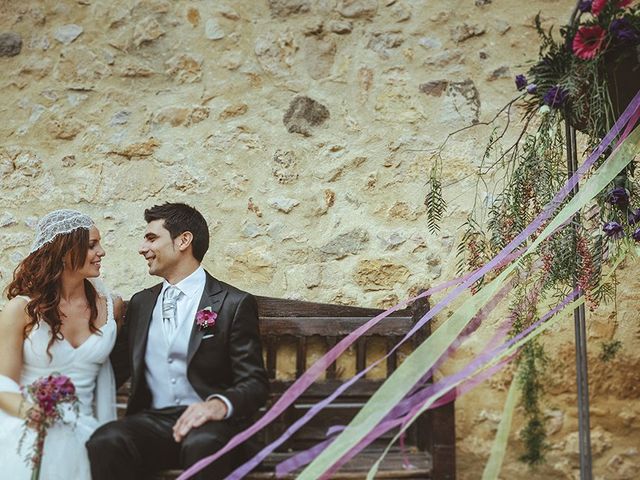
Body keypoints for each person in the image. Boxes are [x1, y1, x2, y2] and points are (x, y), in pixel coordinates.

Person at [88, 202, 269, 480]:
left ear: (184, 240)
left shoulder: (233, 303)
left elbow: (254, 382)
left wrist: (217, 405)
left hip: (212, 426)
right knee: (107, 439)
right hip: (153, 422)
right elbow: (115, 367)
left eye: (151, 238)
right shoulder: (140, 303)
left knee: (203, 444)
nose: (142, 248)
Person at [0, 209, 123, 480]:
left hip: (87, 426)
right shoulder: (20, 310)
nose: (101, 252)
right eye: (92, 245)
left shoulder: (112, 307)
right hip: (28, 421)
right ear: (65, 251)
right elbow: (3, 385)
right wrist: (31, 412)